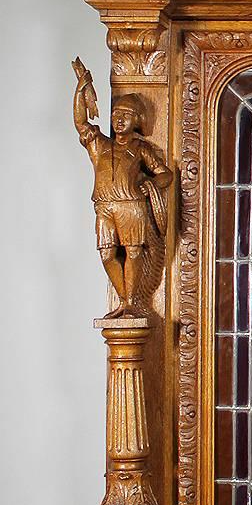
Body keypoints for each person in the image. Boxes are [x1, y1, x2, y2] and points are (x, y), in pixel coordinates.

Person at [72, 57, 173, 313]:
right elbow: (81, 123)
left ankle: (130, 303)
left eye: (125, 115)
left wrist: (149, 184)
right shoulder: (100, 146)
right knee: (107, 254)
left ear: (136, 120)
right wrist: (82, 89)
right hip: (105, 206)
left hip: (131, 206)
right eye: (116, 114)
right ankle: (124, 299)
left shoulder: (140, 148)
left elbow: (165, 175)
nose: (119, 120)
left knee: (134, 252)